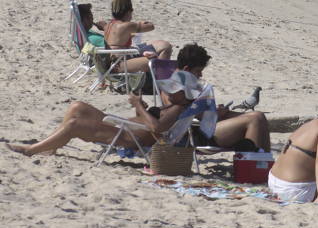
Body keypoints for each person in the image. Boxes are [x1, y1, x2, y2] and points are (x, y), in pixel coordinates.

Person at [4, 55, 202, 157]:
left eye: (174, 89)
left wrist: (139, 107)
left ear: (185, 94)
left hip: (128, 138)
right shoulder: (174, 104)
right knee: (77, 106)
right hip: (124, 128)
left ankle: (30, 150)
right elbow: (149, 122)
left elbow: (156, 129)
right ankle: (50, 148)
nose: (168, 91)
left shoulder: (178, 108)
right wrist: (139, 107)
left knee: (74, 124)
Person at [160, 44, 271, 151]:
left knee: (259, 116)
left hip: (207, 126)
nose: (200, 75)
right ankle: (255, 163)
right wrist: (214, 113)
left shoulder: (187, 83)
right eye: (198, 71)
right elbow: (181, 116)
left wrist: (216, 111)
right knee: (255, 120)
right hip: (197, 134)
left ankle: (264, 163)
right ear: (187, 69)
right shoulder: (171, 89)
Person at [103, 0, 173, 72]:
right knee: (157, 61)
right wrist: (141, 23)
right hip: (118, 65)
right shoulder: (126, 25)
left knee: (164, 45)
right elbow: (151, 26)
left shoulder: (109, 25)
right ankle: (160, 81)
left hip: (116, 60)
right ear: (129, 11)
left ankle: (156, 80)